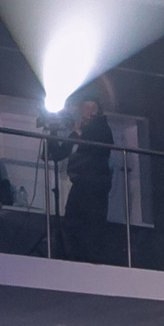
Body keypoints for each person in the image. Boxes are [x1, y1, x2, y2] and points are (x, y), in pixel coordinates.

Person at [46, 97, 116, 263]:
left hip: (95, 183)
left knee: (92, 224)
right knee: (71, 221)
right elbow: (57, 154)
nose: (90, 112)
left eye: (93, 108)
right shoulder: (78, 131)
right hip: (80, 183)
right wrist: (53, 131)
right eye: (86, 108)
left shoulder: (102, 127)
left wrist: (78, 132)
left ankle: (91, 261)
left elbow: (99, 144)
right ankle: (73, 257)